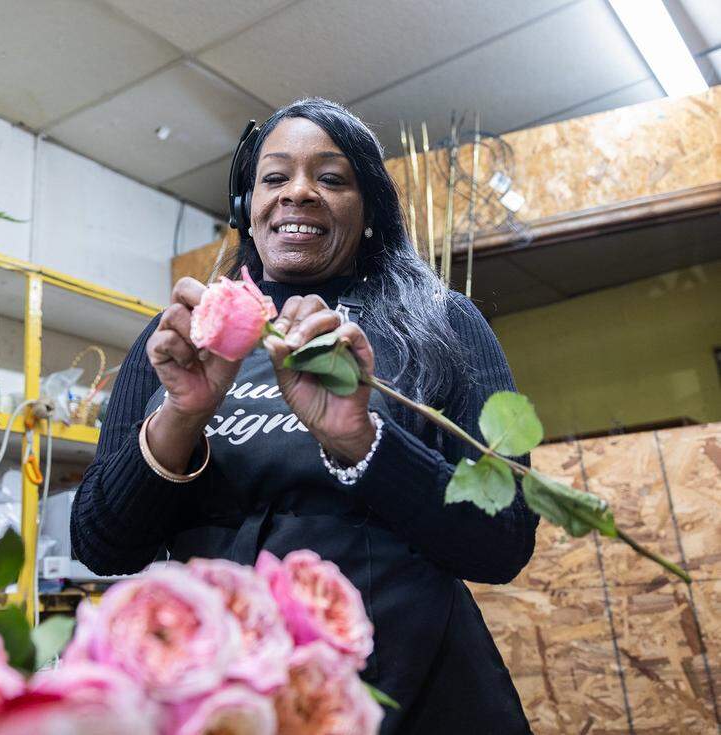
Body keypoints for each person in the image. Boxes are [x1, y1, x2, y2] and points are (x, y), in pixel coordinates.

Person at [71, 97, 537, 734]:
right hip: (231, 701)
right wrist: (183, 414)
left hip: (417, 694)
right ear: (247, 208)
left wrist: (361, 441)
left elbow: (503, 542)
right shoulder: (178, 335)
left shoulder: (442, 323)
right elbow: (101, 544)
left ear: (368, 209)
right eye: (274, 177)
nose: (299, 193)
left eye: (332, 178)